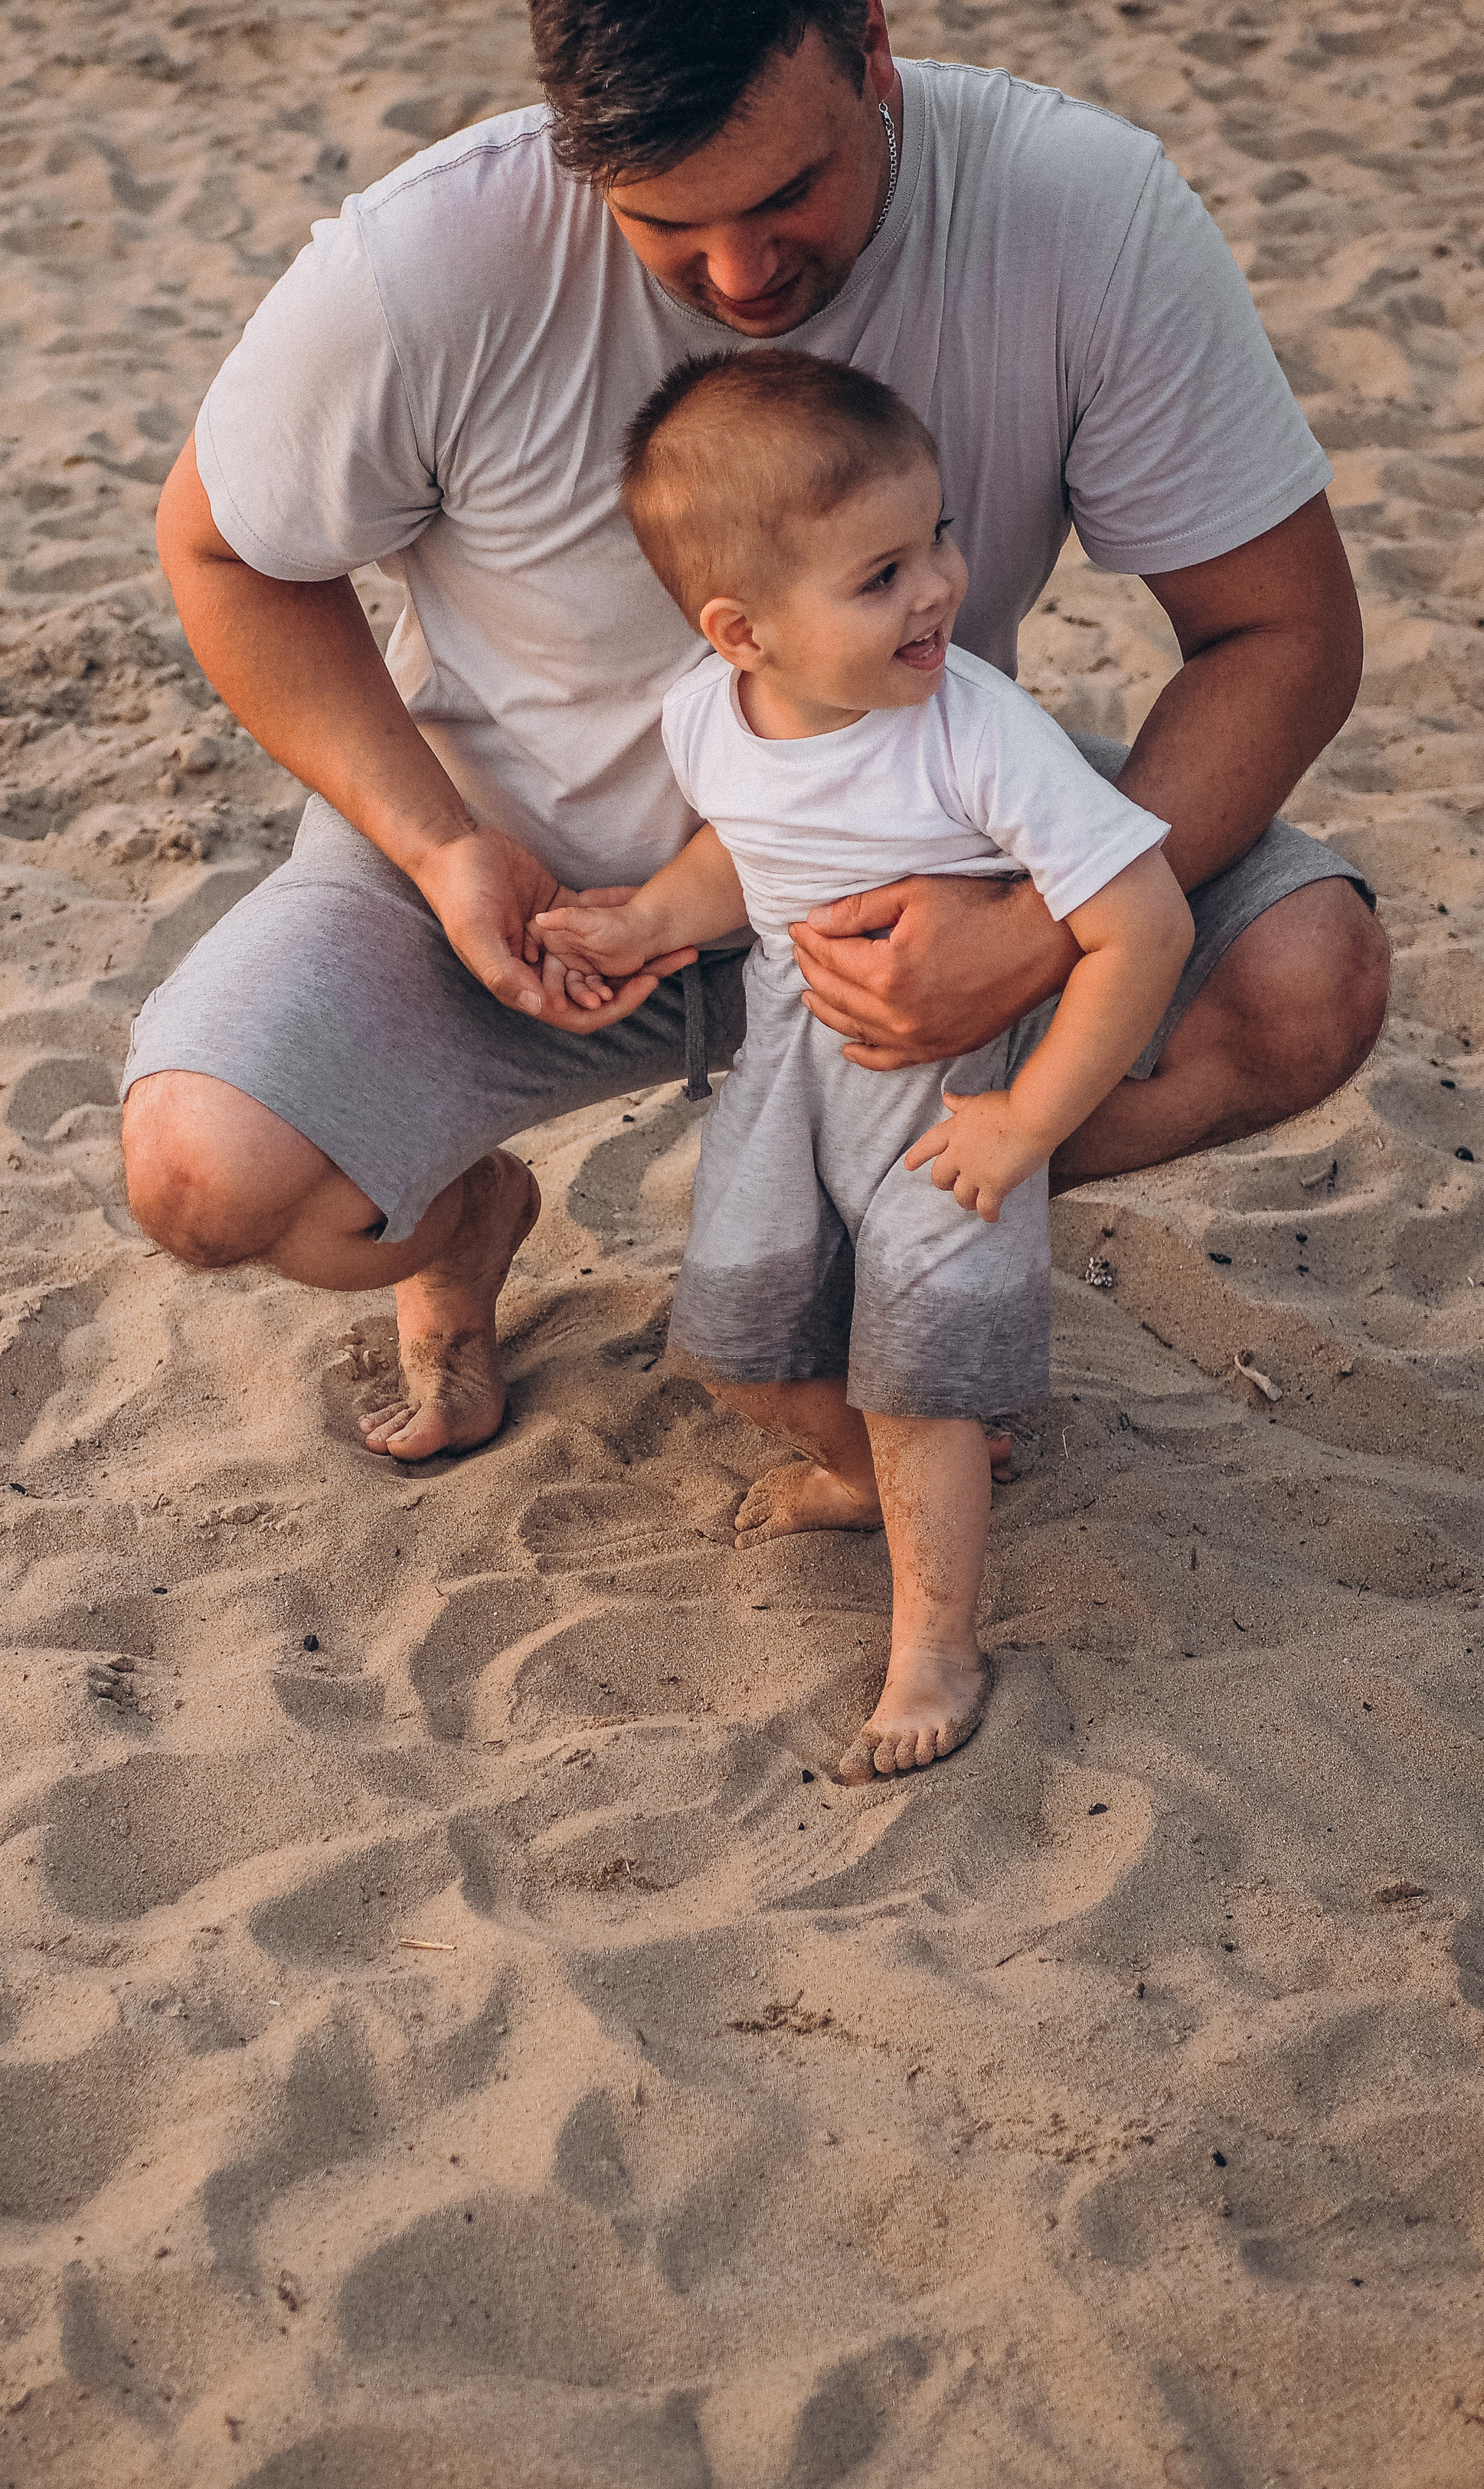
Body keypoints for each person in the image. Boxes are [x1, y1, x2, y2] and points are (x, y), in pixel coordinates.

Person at [122, 0, 1384, 1542]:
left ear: (867, 47)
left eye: (788, 194)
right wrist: (438, 844)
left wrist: (1034, 936)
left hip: (911, 879)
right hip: (523, 896)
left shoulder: (1079, 211)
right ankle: (465, 1213)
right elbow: (218, 551)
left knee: (1301, 980)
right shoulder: (424, 264)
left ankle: (861, 1236)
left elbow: (1281, 630)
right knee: (206, 1177)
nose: (737, 279)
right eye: (665, 223)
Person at [531, 348, 1191, 1776]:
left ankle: (934, 1640)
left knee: (920, 1369)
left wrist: (1023, 1120)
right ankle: (859, 1474)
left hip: (949, 1083)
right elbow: (745, 853)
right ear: (741, 632)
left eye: (939, 535)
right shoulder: (707, 718)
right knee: (736, 1336)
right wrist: (650, 915)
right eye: (880, 574)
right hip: (790, 1056)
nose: (941, 587)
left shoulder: (979, 730)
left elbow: (1144, 927)